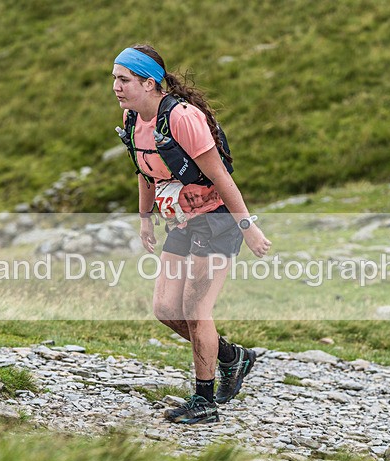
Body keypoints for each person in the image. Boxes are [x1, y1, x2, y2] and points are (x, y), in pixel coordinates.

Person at [112, 44, 272, 424]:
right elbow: (144, 169)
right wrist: (145, 218)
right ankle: (234, 358)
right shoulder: (133, 117)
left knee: (196, 310)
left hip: (217, 220)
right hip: (182, 221)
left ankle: (204, 401)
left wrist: (247, 227)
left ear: (149, 83)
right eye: (114, 79)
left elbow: (220, 177)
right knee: (166, 309)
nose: (116, 86)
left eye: (124, 79)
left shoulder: (183, 118)